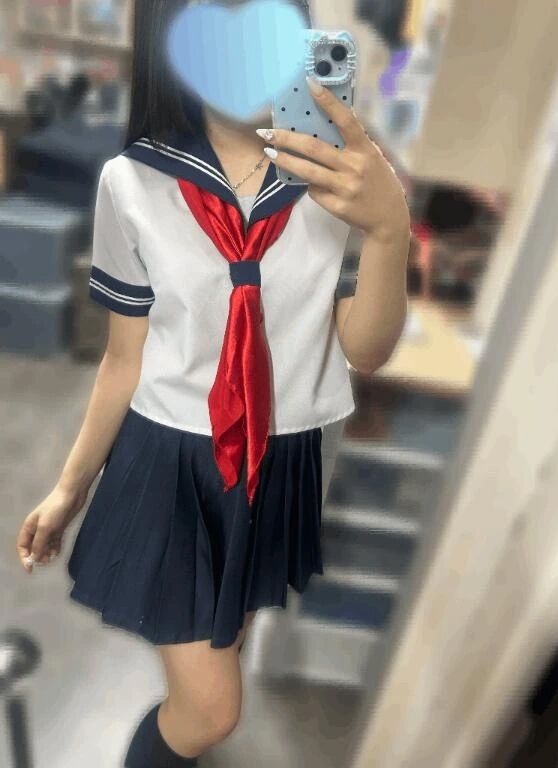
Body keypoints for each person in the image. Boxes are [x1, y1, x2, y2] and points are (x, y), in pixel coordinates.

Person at [15, 1, 411, 765]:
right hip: (169, 466)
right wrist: (70, 488)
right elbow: (124, 358)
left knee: (222, 648)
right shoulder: (133, 182)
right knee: (212, 709)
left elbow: (364, 349)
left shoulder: (334, 176)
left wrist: (389, 228)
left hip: (280, 461)